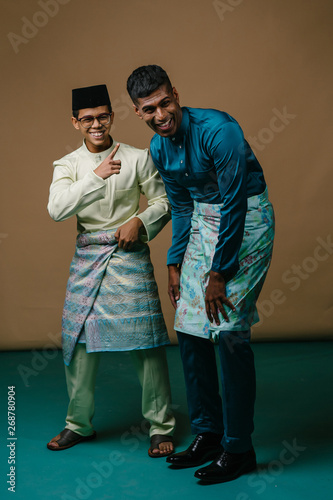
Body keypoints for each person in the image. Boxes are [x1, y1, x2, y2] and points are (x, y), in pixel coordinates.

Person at [126, 65, 275, 483]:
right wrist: (175, 264)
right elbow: (183, 207)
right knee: (190, 330)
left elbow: (234, 204)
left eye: (165, 102)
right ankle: (208, 434)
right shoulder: (159, 148)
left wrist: (219, 273)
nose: (161, 115)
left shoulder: (219, 129)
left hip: (247, 220)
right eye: (149, 109)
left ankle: (238, 447)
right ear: (139, 112)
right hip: (201, 225)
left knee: (228, 333)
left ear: (176, 93)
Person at [46, 84, 175, 458]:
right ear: (75, 123)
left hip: (128, 253)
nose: (96, 124)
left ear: (112, 116)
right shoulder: (67, 165)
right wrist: (96, 176)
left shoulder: (138, 157)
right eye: (87, 119)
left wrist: (140, 221)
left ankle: (161, 424)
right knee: (80, 342)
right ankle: (78, 424)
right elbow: (56, 210)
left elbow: (164, 200)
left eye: (102, 116)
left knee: (147, 343)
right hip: (88, 257)